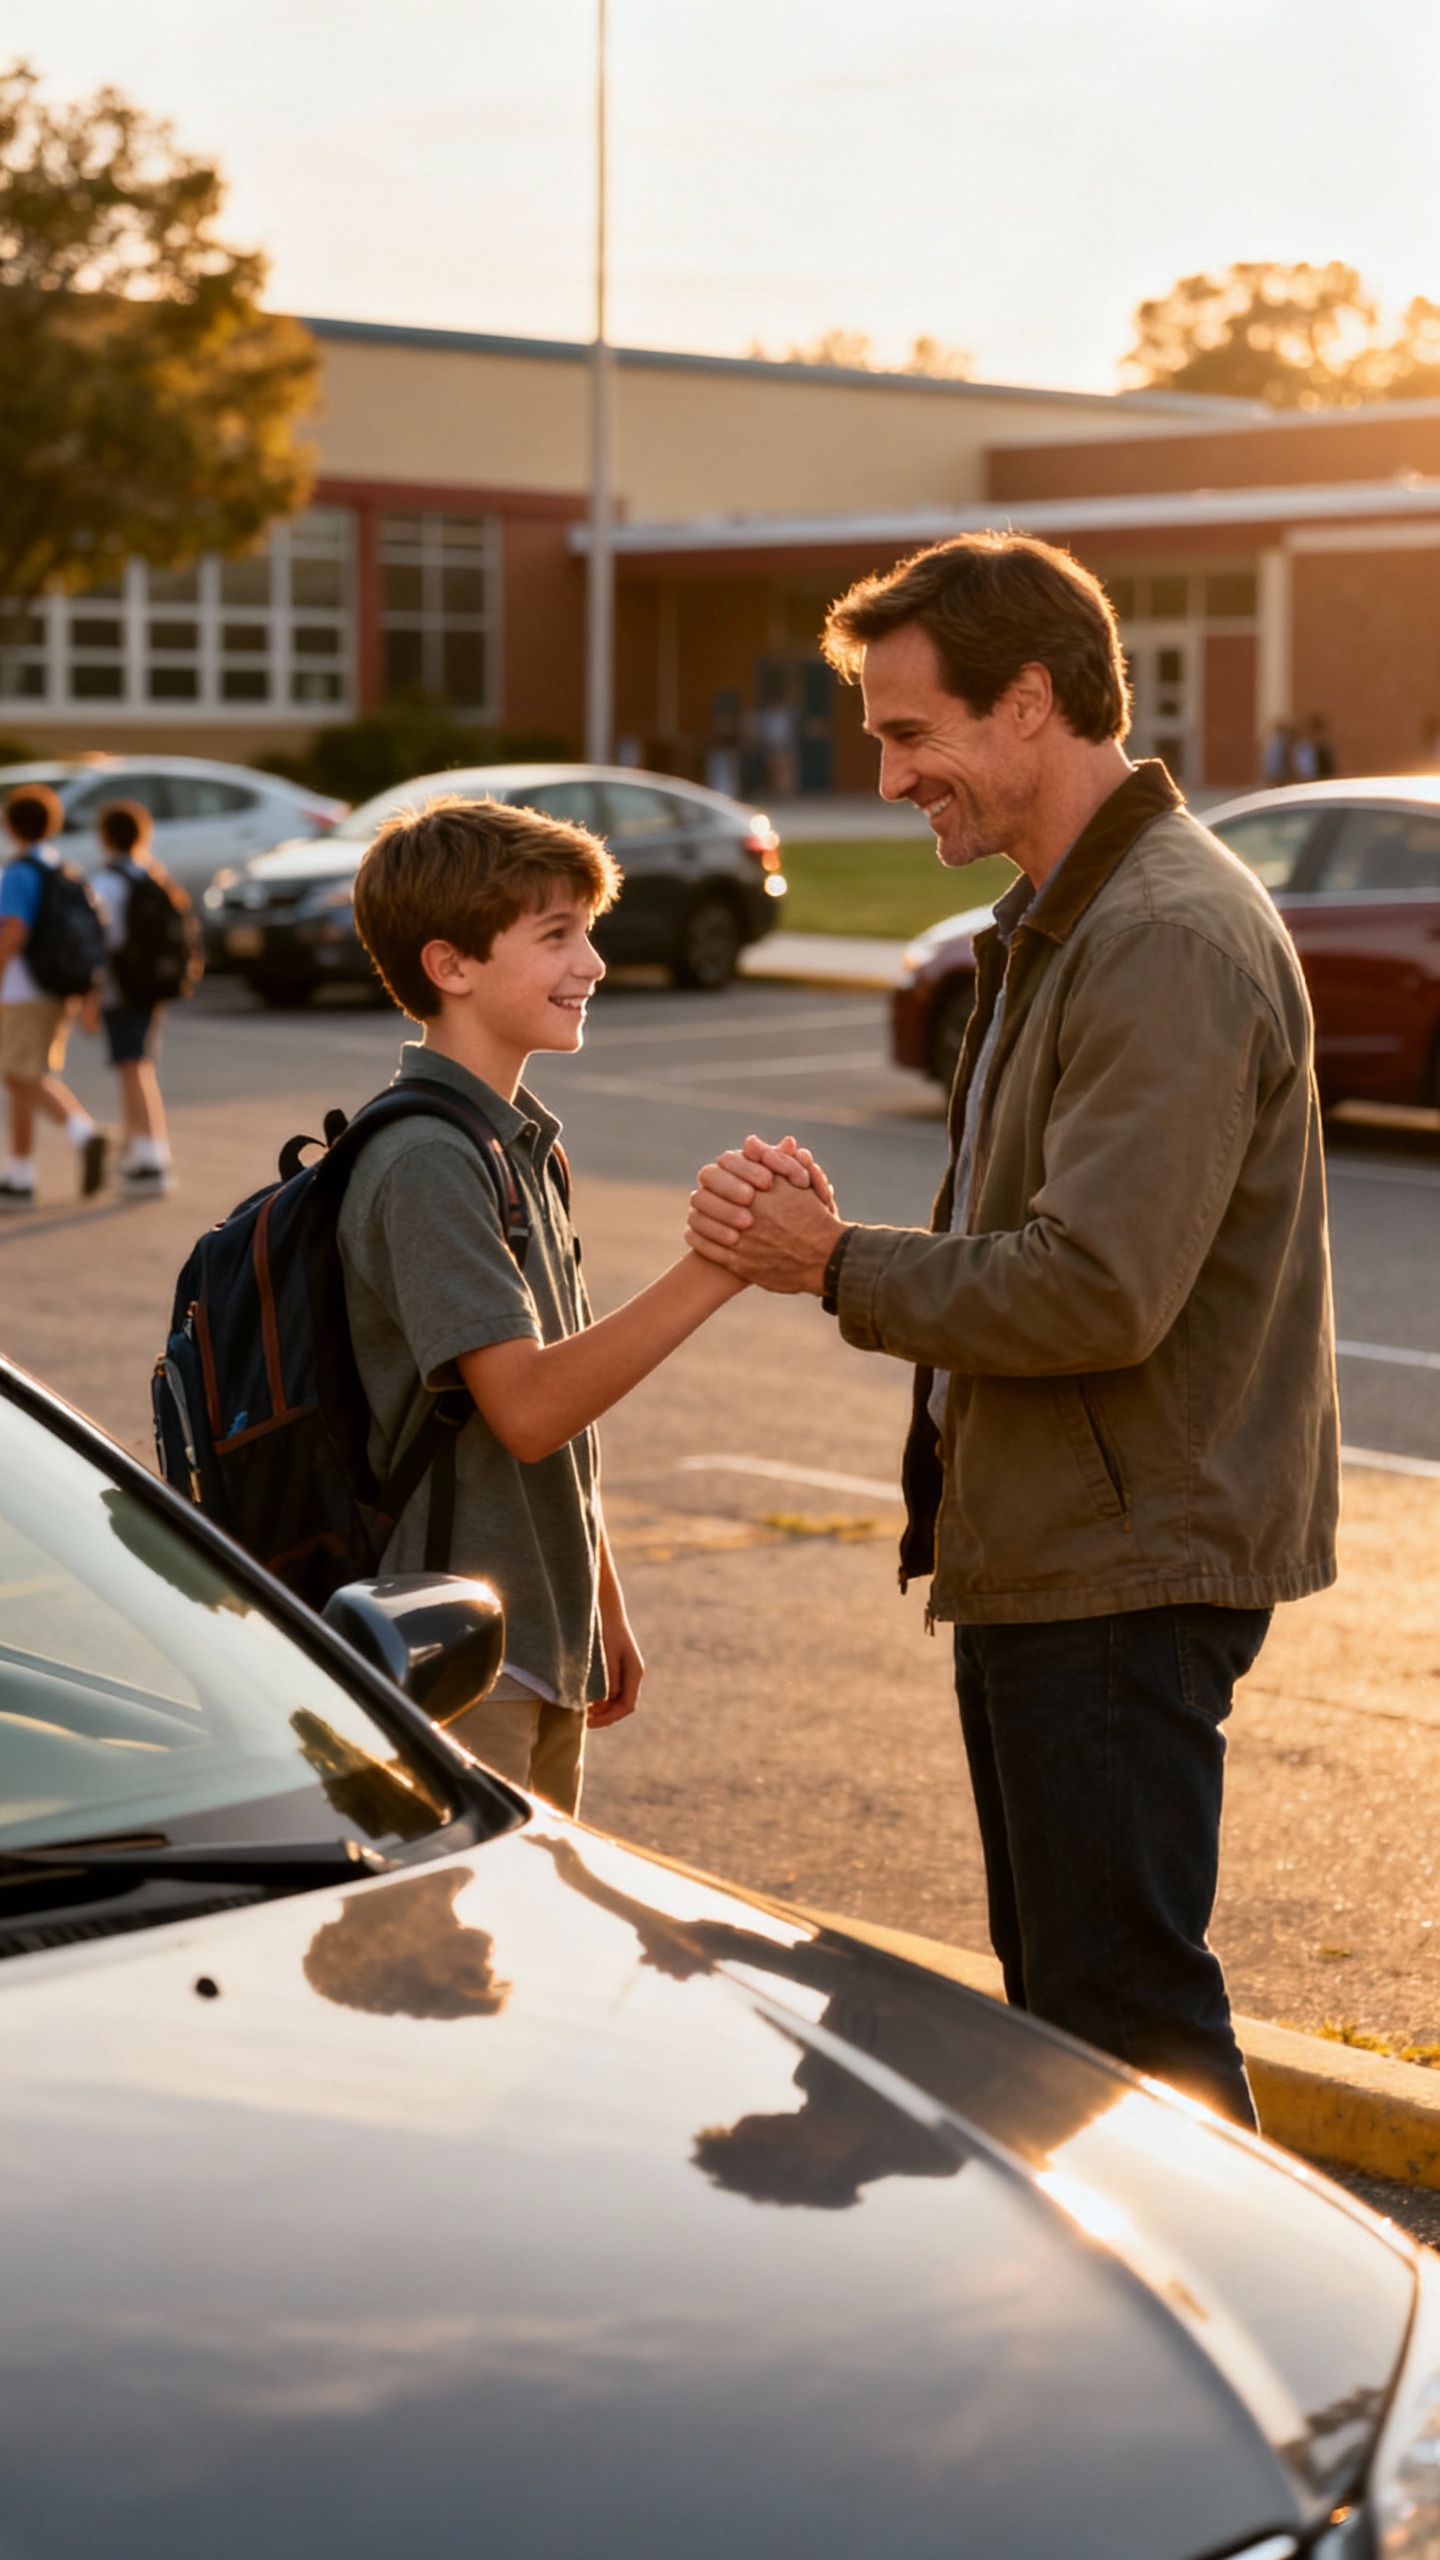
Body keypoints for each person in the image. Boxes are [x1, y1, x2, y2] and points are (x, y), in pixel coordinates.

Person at [685, 531, 1339, 2129]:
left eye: (911, 734)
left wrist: (834, 1261)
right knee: (1077, 2024)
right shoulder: (1073, 916)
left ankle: (1270, 2368)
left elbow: (1094, 1288)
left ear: (1031, 701)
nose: (890, 773)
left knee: (1126, 2028)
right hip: (1063, 1552)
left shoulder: (1160, 935)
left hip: (1124, 1569)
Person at [340, 792, 743, 1816]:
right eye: (557, 935)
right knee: (459, 1966)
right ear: (452, 964)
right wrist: (720, 1264)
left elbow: (561, 1402)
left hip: (533, 1638)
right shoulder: (427, 1161)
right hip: (451, 1663)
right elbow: (526, 1408)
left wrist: (595, 1598)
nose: (592, 964)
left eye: (589, 932)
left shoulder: (513, 1145)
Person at [0, 784, 108, 1212]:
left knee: (21, 1075)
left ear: (10, 824)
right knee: (19, 1076)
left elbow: (14, 930)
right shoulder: (64, 870)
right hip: (57, 986)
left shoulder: (19, 872)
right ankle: (19, 1175)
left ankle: (83, 1134)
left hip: (23, 990)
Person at [88, 799, 178, 1198]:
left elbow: (104, 942)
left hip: (121, 989)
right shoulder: (151, 875)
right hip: (150, 986)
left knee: (132, 1068)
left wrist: (89, 996)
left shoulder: (108, 881)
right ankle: (141, 1151)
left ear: (105, 836)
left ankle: (150, 1159)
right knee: (140, 1065)